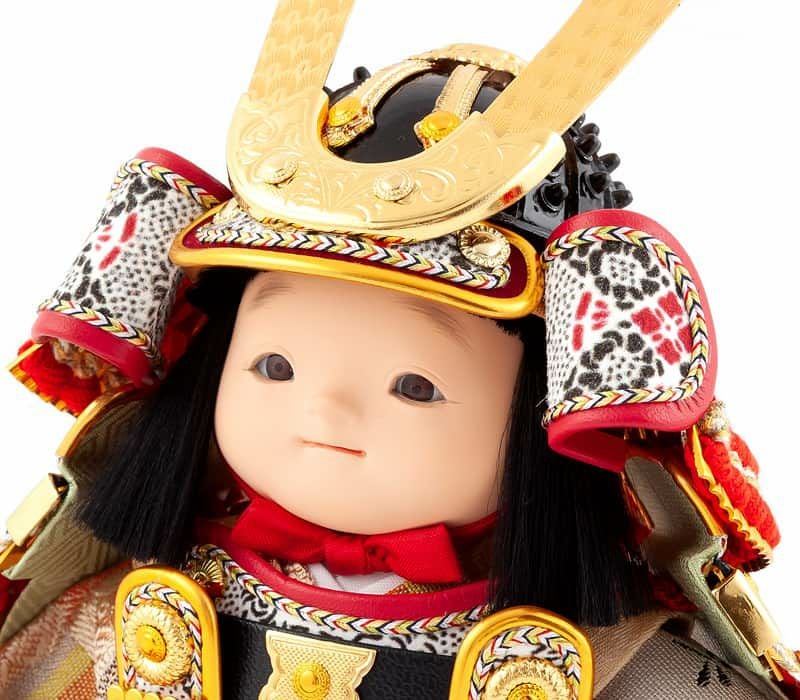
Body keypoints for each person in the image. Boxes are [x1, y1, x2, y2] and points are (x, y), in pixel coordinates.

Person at [1, 2, 798, 698]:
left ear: (546, 412)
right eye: (274, 367)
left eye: (413, 385)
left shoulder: (621, 664)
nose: (322, 411)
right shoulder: (121, 608)